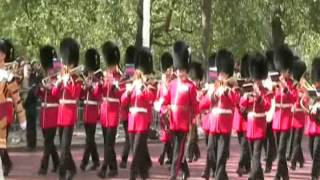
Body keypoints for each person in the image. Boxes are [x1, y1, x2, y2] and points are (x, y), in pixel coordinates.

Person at [162, 41, 198, 180]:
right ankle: (185, 170)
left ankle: (173, 175)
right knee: (176, 149)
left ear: (186, 70)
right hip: (172, 121)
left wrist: (194, 120)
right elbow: (166, 101)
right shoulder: (172, 84)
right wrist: (165, 110)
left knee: (178, 150)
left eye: (182, 70)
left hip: (183, 123)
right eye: (178, 70)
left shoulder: (190, 86)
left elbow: (195, 105)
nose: (180, 72)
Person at [199, 49, 238, 180]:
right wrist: (213, 95)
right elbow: (203, 104)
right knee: (210, 151)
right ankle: (221, 175)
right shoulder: (214, 86)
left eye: (224, 73)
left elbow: (236, 101)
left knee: (221, 154)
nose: (221, 75)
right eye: (220, 72)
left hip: (225, 124)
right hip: (213, 123)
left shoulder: (233, 87)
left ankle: (219, 176)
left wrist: (228, 92)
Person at [121, 47, 157, 180]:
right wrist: (128, 91)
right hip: (132, 121)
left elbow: (151, 99)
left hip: (143, 121)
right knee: (135, 150)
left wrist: (143, 89)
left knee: (136, 150)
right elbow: (124, 102)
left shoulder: (150, 84)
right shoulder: (131, 83)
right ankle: (143, 173)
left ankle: (132, 175)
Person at [53, 38, 82, 180]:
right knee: (63, 147)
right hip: (60, 114)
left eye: (68, 63)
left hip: (70, 115)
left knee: (64, 148)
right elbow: (54, 94)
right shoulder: (61, 76)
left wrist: (68, 82)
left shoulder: (76, 78)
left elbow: (76, 94)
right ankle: (73, 169)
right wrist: (59, 82)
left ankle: (62, 174)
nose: (66, 65)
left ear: (73, 63)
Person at [240, 52, 272, 180]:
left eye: (258, 79)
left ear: (261, 77)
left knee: (256, 155)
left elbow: (267, 106)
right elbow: (242, 105)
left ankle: (252, 177)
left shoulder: (266, 92)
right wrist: (245, 97)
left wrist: (259, 98)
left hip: (260, 125)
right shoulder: (249, 89)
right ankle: (260, 176)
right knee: (253, 153)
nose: (256, 81)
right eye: (255, 78)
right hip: (250, 125)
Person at [0, 39, 26, 176]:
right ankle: (7, 163)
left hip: (5, 108)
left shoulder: (12, 71)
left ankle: (6, 164)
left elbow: (17, 86)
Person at [97, 41, 124, 178]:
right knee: (108, 144)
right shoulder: (105, 75)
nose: (111, 67)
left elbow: (123, 97)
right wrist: (98, 85)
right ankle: (113, 168)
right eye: (110, 64)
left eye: (112, 64)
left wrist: (117, 88)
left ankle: (103, 168)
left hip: (113, 113)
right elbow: (98, 94)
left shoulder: (121, 77)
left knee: (109, 143)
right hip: (104, 113)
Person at [272, 45, 297, 180]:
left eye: (285, 70)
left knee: (281, 150)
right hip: (276, 118)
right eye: (282, 70)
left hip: (286, 119)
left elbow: (294, 99)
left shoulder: (292, 84)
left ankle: (277, 175)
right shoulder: (276, 83)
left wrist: (285, 89)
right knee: (278, 151)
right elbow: (271, 98)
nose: (284, 72)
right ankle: (285, 174)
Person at [37, 45, 60, 175]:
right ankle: (57, 162)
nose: (50, 71)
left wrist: (49, 89)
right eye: (49, 69)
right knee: (49, 143)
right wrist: (40, 89)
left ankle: (43, 167)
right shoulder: (46, 79)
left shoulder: (58, 80)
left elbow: (57, 95)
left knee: (47, 143)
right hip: (44, 114)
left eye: (51, 69)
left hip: (53, 114)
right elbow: (42, 96)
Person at [80, 48, 101, 171]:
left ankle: (84, 162)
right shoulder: (87, 78)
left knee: (89, 139)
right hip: (86, 112)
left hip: (93, 112)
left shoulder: (98, 79)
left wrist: (91, 87)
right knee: (90, 139)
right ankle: (96, 160)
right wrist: (84, 87)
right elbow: (81, 96)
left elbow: (98, 95)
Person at [300, 57, 320, 180]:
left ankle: (314, 175)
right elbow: (304, 102)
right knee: (311, 150)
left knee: (317, 151)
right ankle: (317, 169)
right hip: (312, 124)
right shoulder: (312, 88)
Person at [155, 52, 174, 166]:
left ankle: (166, 157)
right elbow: (158, 96)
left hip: (171, 112)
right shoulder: (161, 84)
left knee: (169, 136)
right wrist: (158, 104)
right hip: (163, 112)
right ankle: (167, 156)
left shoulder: (173, 82)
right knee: (166, 136)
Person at [233, 53, 251, 176]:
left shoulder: (252, 84)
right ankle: (248, 167)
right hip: (239, 119)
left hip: (248, 119)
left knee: (245, 145)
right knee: (244, 145)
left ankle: (240, 165)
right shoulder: (236, 83)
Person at [119, 45, 136, 169]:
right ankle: (125, 159)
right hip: (126, 112)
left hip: (134, 113)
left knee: (134, 138)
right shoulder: (124, 77)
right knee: (129, 138)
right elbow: (122, 96)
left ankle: (137, 159)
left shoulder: (134, 76)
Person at [289, 58, 306, 170]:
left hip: (300, 116)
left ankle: (293, 161)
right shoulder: (293, 84)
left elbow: (306, 100)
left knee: (296, 140)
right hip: (293, 117)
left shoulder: (304, 85)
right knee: (295, 140)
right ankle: (301, 159)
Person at [263, 50, 277, 173]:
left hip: (272, 107)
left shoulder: (275, 78)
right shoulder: (263, 78)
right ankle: (271, 154)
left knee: (269, 137)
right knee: (266, 137)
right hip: (264, 108)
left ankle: (269, 161)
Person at [186, 62, 203, 163]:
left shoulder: (200, 89)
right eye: (194, 80)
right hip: (187, 114)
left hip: (194, 115)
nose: (195, 82)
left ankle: (189, 155)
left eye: (196, 80)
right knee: (193, 135)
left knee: (192, 135)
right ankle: (196, 153)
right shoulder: (189, 87)